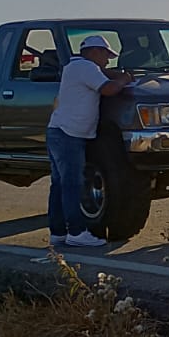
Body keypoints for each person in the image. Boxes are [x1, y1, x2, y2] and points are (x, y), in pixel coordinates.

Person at [47, 35, 133, 247]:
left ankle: (58, 231)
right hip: (69, 135)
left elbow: (104, 74)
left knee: (59, 184)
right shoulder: (85, 67)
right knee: (72, 184)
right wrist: (124, 80)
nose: (107, 61)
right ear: (95, 51)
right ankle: (76, 233)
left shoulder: (75, 67)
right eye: (106, 55)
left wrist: (120, 74)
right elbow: (109, 89)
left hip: (59, 131)